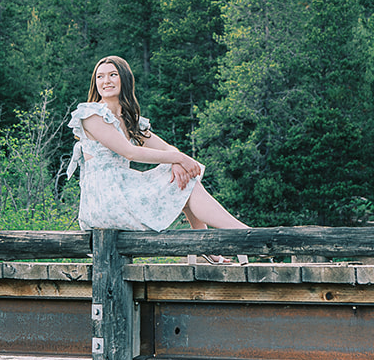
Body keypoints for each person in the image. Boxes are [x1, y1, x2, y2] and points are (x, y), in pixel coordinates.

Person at [66, 55, 248, 259]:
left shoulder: (128, 119)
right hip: (105, 200)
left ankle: (212, 245)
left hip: (123, 190)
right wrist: (178, 159)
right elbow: (130, 152)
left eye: (112, 75)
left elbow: (165, 147)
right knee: (181, 175)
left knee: (183, 178)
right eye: (100, 77)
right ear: (95, 83)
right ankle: (244, 235)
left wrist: (176, 159)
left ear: (124, 79)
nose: (106, 81)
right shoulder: (91, 115)